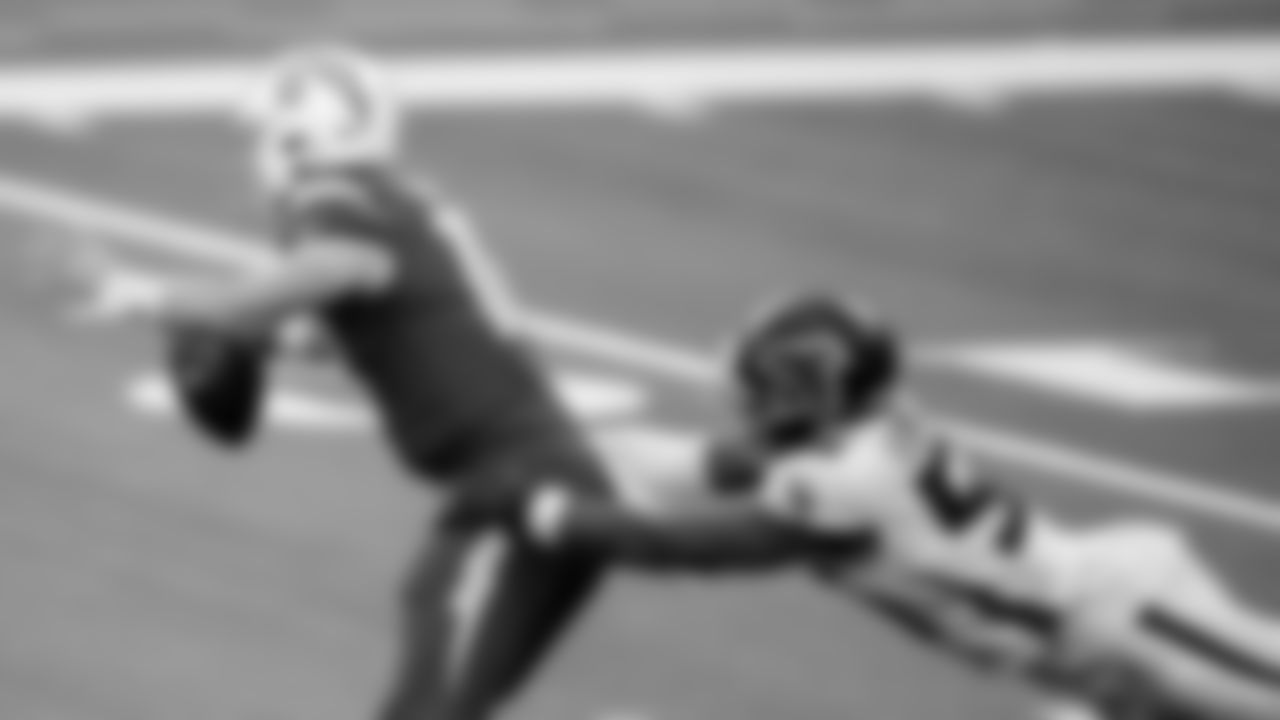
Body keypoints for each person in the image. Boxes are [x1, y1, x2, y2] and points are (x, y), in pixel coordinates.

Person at [457, 291, 1280, 720]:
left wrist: (541, 510)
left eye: (762, 382)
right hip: (1090, 642)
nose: (746, 396)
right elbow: (724, 463)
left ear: (809, 390)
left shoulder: (843, 482)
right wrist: (581, 448)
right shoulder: (860, 437)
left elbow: (685, 549)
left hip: (1125, 621)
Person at [129, 44, 619, 720]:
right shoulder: (394, 200)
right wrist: (259, 338)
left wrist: (149, 296)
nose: (259, 154)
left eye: (268, 133)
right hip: (526, 479)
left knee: (430, 694)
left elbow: (326, 271)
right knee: (436, 686)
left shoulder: (336, 197)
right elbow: (360, 329)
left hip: (519, 487)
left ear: (302, 134)